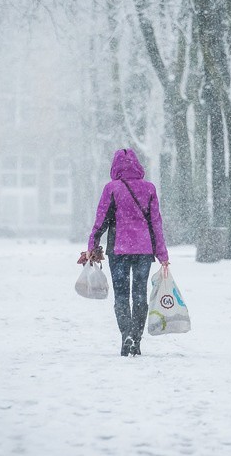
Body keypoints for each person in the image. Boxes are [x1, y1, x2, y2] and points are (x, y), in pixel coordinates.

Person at [84, 148, 169, 356]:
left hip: (118, 250)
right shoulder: (149, 189)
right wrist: (162, 255)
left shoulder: (111, 189)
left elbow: (101, 220)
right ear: (137, 165)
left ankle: (126, 336)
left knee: (121, 295)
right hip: (143, 250)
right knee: (139, 295)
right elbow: (155, 223)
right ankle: (136, 340)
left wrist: (92, 246)